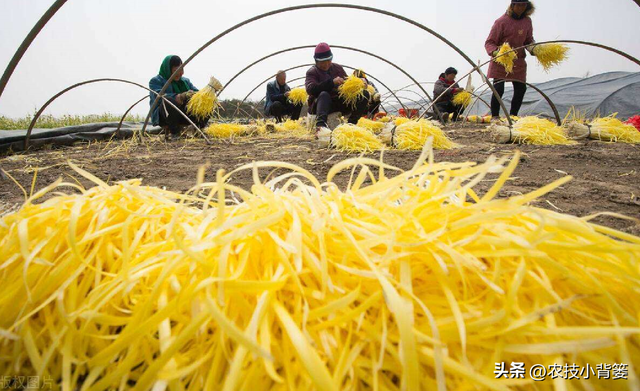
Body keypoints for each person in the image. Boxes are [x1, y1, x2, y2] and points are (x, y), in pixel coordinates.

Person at [485, 0, 536, 120]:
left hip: (518, 61)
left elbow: (528, 40)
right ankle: (495, 116)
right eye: (518, 5)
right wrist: (497, 52)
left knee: (520, 89)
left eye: (524, 5)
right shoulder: (501, 22)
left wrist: (534, 48)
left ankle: (513, 116)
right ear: (512, 6)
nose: (521, 8)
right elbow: (489, 42)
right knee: (498, 89)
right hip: (502, 60)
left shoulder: (527, 21)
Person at [305, 43, 370, 132]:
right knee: (324, 94)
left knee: (364, 94)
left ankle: (351, 124)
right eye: (323, 61)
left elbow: (348, 83)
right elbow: (311, 89)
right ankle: (320, 127)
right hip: (321, 106)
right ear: (316, 61)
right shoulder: (312, 72)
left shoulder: (337, 68)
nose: (326, 64)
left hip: (337, 102)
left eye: (328, 60)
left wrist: (360, 82)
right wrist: (331, 82)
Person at [149, 55, 207, 141]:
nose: (180, 73)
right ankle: (175, 133)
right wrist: (180, 96)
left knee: (206, 102)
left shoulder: (185, 81)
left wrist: (206, 93)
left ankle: (199, 129)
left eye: (182, 70)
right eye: (176, 70)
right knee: (168, 101)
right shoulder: (156, 81)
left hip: (184, 115)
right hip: (165, 116)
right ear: (168, 70)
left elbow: (196, 92)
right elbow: (160, 97)